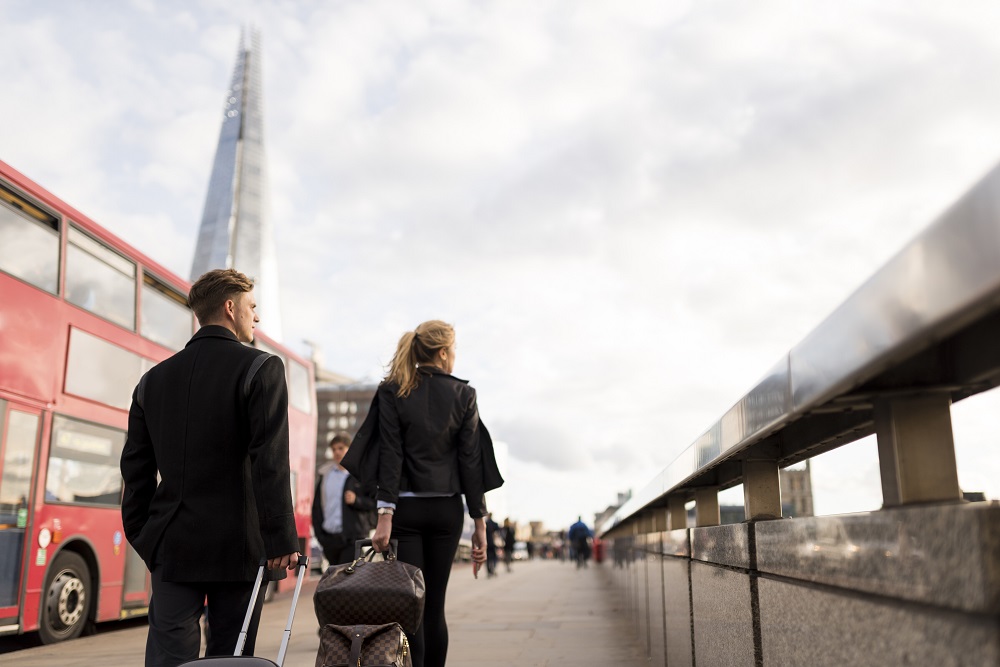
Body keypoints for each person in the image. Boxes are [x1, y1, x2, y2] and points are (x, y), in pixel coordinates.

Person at [120, 269, 300, 667]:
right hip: (238, 546)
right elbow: (269, 461)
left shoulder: (152, 380)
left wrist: (144, 536)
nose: (257, 318)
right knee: (230, 657)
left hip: (171, 545)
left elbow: (135, 470)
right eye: (252, 307)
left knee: (169, 659)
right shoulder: (261, 369)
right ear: (230, 307)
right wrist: (281, 539)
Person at [342, 320, 504, 667]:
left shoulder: (394, 390)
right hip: (447, 511)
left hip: (405, 513)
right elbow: (470, 463)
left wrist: (384, 515)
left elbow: (391, 454)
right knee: (435, 608)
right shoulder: (464, 394)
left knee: (411, 606)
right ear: (444, 352)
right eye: (454, 350)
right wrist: (480, 523)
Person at [312, 433, 376, 565]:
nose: (337, 452)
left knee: (347, 580)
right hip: (329, 541)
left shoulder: (360, 475)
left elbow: (375, 503)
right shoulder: (325, 475)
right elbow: (316, 508)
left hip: (352, 540)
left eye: (341, 448)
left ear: (349, 449)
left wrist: (356, 500)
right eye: (334, 449)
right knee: (335, 581)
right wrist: (321, 537)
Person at [484, 513, 500, 578]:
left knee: (487, 558)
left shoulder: (485, 523)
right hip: (493, 544)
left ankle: (489, 571)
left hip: (486, 543)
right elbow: (499, 532)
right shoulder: (495, 524)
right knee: (494, 557)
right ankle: (493, 569)